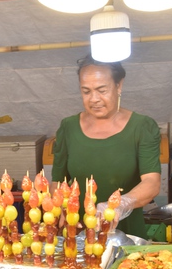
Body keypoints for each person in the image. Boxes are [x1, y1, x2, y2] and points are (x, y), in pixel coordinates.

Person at [52, 55, 161, 238]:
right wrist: (59, 207)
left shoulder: (142, 127)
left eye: (102, 90)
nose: (94, 99)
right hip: (77, 232)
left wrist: (119, 205)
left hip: (126, 234)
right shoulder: (68, 127)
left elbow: (152, 182)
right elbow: (58, 181)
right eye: (86, 92)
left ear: (119, 86)